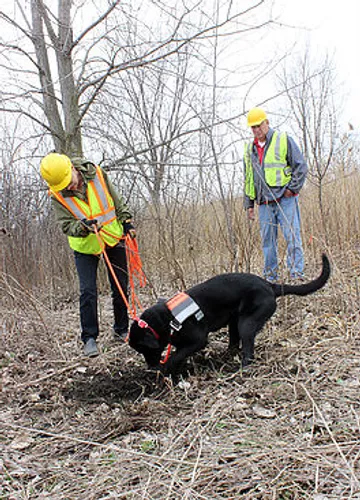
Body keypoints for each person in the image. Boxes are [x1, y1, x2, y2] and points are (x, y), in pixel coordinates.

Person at [40, 152, 136, 357]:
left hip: (113, 237)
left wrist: (127, 221)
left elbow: (116, 201)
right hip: (84, 245)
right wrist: (82, 227)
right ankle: (90, 337)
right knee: (88, 291)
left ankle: (121, 329)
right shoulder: (56, 194)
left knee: (120, 285)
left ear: (72, 169)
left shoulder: (98, 175)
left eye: (70, 181)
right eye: (64, 186)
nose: (69, 187)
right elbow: (66, 225)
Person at [243, 107, 308, 282]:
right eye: (253, 127)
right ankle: (270, 277)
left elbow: (300, 166)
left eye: (259, 125)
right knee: (268, 243)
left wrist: (291, 189)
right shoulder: (250, 149)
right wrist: (249, 204)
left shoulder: (283, 139)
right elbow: (249, 178)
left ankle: (296, 274)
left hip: (285, 200)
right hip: (264, 203)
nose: (256, 130)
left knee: (292, 237)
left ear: (267, 123)